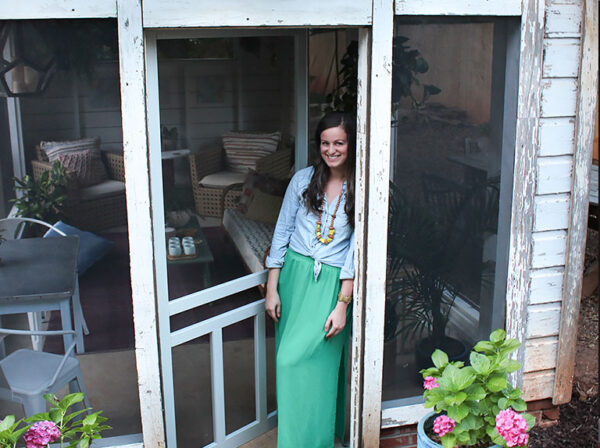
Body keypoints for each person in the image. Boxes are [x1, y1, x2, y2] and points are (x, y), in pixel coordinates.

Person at [265, 111, 355, 448]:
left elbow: (355, 252)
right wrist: (272, 287)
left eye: (339, 143)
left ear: (350, 145)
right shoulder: (303, 180)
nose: (331, 150)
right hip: (294, 278)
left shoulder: (359, 188)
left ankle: (317, 441)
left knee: (313, 368)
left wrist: (342, 304)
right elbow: (282, 232)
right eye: (325, 143)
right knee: (288, 364)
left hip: (331, 286)